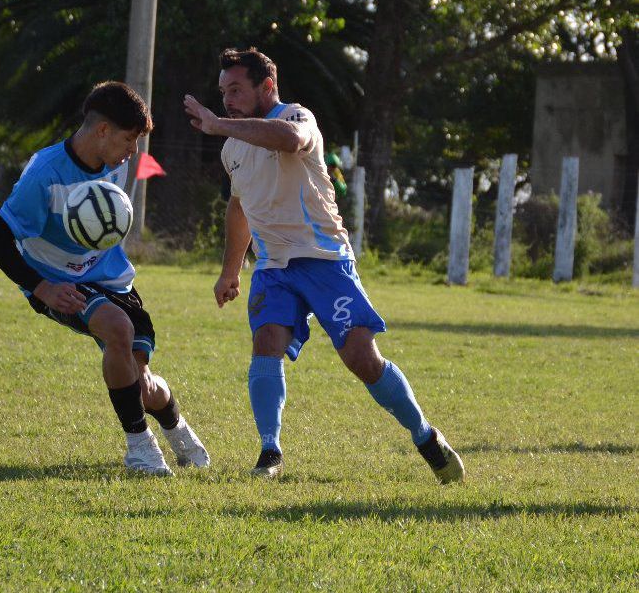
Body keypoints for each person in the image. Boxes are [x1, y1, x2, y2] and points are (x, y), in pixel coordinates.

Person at [184, 48, 464, 483]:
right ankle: (269, 453)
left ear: (267, 86)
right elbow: (238, 208)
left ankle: (425, 436)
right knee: (266, 344)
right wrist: (230, 270)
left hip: (325, 260)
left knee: (361, 357)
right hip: (274, 268)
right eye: (223, 92)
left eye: (237, 89)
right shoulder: (232, 148)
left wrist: (219, 124)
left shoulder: (299, 118)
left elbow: (290, 142)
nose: (228, 99)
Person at [0, 81, 209, 476]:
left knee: (143, 385)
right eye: (129, 138)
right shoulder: (45, 174)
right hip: (58, 283)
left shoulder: (116, 164)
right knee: (117, 328)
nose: (133, 150)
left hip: (113, 279)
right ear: (102, 130)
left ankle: (178, 429)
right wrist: (44, 288)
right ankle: (140, 448)